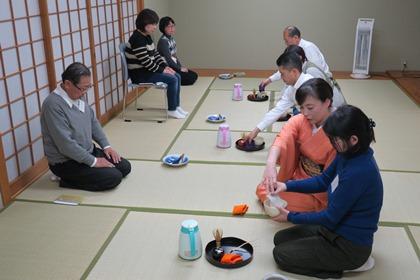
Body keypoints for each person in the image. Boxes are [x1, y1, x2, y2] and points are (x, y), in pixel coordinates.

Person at [269, 105, 383, 279]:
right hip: (333, 229)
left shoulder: (359, 172)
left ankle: (347, 266)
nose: (332, 143)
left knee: (280, 255)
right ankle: (330, 258)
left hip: (349, 246)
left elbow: (330, 217)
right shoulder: (345, 154)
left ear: (353, 139)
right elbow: (322, 181)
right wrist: (286, 185)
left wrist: (290, 216)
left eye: (335, 139)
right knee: (280, 239)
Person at [41, 62, 131, 191]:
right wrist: (94, 162)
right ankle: (65, 179)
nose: (84, 93)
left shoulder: (76, 94)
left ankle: (85, 171)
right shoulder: (52, 105)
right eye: (83, 88)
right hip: (66, 162)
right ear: (67, 84)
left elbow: (93, 123)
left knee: (124, 167)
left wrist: (106, 146)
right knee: (114, 177)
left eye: (88, 87)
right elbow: (65, 145)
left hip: (87, 151)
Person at [256, 78, 336, 212]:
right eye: (301, 107)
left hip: (318, 190)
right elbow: (282, 139)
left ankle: (315, 207)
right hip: (297, 179)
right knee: (263, 188)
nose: (305, 113)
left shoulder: (339, 130)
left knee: (273, 197)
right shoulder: (301, 120)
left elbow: (330, 179)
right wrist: (270, 164)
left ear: (327, 102)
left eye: (310, 107)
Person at [125, 9, 187, 119]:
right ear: (145, 24)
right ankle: (172, 110)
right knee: (172, 79)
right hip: (140, 74)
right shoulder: (137, 39)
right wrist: (163, 70)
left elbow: (156, 55)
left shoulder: (146, 36)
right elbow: (147, 62)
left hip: (147, 70)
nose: (155, 27)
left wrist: (165, 66)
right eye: (153, 24)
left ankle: (176, 106)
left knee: (176, 75)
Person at [244, 52, 313, 142]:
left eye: (282, 74)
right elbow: (277, 110)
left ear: (294, 72)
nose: (281, 77)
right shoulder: (291, 90)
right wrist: (256, 130)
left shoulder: (311, 85)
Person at [259, 26, 331, 91]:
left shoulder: (308, 48)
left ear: (296, 38)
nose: (285, 43)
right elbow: (285, 68)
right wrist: (269, 80)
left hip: (320, 84)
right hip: (306, 80)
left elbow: (316, 74)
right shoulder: (294, 50)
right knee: (287, 89)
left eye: (286, 41)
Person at [157, 16, 198, 86]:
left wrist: (180, 67)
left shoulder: (171, 39)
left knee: (194, 75)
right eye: (169, 27)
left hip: (173, 66)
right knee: (190, 78)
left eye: (172, 26)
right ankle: (169, 80)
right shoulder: (163, 41)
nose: (172, 29)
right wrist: (179, 69)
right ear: (163, 28)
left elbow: (174, 56)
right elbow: (169, 60)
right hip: (167, 68)